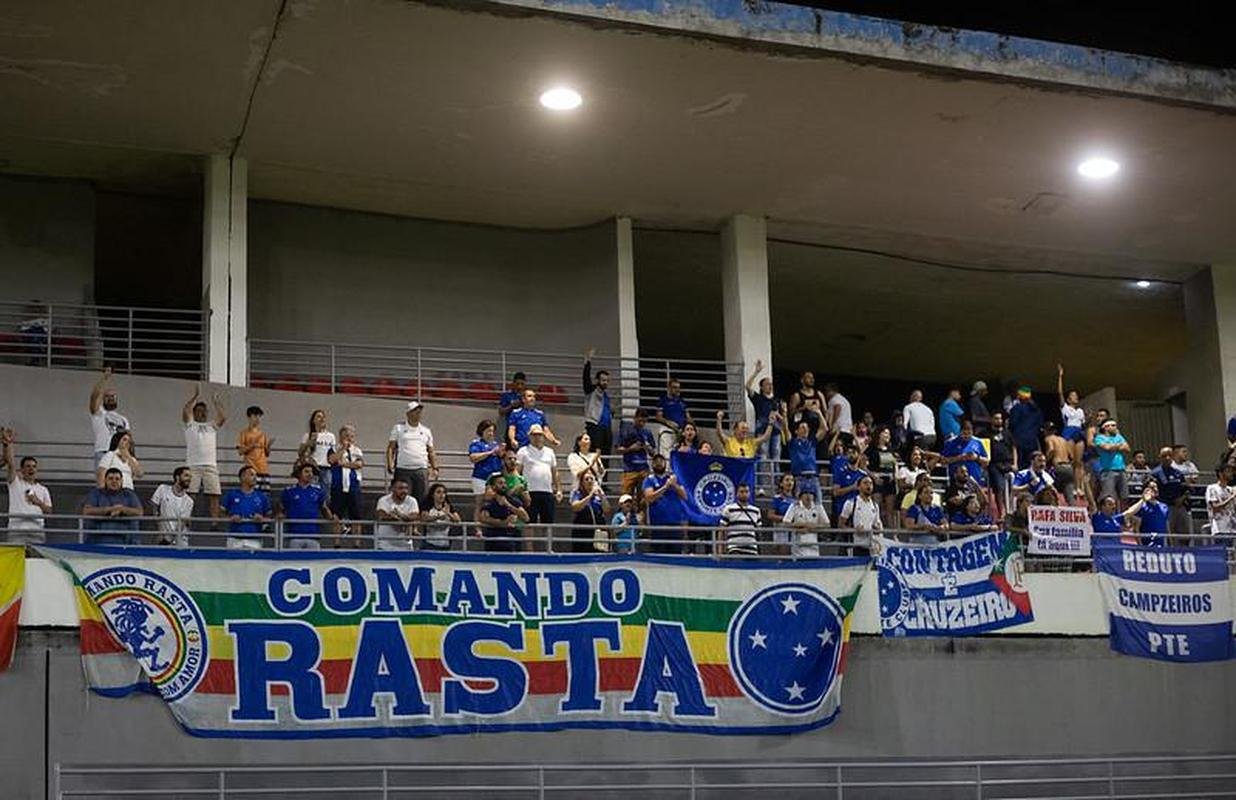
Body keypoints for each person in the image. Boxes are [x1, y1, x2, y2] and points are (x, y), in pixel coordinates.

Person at [181, 383, 227, 518]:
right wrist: (195, 397)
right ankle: (186, 521)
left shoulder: (211, 426)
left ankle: (214, 523)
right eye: (199, 410)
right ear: (194, 412)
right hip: (192, 465)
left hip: (210, 465)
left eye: (204, 411)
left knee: (214, 495)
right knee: (190, 495)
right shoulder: (190, 425)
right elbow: (185, 411)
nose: (202, 413)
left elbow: (223, 417)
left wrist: (216, 401)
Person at [1, 427, 52, 543]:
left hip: (37, 531)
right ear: (22, 470)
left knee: (37, 561)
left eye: (34, 466)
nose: (31, 469)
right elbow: (11, 464)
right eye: (28, 466)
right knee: (15, 560)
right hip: (17, 531)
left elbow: (49, 511)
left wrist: (37, 502)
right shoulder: (15, 484)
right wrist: (8, 444)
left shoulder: (43, 489)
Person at [516, 424, 561, 547]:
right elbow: (517, 471)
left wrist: (559, 489)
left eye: (540, 435)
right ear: (530, 436)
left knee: (548, 522)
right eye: (534, 435)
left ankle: (548, 548)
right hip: (530, 491)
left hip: (547, 491)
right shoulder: (523, 451)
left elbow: (555, 472)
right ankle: (529, 549)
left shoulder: (550, 452)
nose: (537, 437)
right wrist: (520, 489)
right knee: (529, 522)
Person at [387, 401, 438, 503]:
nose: (418, 414)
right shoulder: (398, 428)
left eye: (419, 411)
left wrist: (435, 467)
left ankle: (419, 518)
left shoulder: (426, 430)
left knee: (422, 498)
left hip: (421, 469)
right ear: (408, 413)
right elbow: (391, 448)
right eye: (415, 411)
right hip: (403, 469)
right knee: (402, 497)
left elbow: (431, 451)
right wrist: (390, 463)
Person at [279, 462, 335, 549]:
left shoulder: (318, 491)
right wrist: (279, 515)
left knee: (314, 562)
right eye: (306, 471)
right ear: (299, 474)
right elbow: (281, 509)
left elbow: (324, 508)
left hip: (313, 535)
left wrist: (331, 517)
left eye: (311, 472)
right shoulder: (289, 491)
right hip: (294, 535)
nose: (310, 474)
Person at [745, 359, 782, 491]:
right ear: (761, 387)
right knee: (763, 456)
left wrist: (779, 416)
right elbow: (747, 386)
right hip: (762, 430)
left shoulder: (776, 401)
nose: (770, 386)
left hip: (776, 431)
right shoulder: (758, 399)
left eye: (771, 384)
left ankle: (777, 486)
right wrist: (756, 371)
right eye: (767, 384)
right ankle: (763, 486)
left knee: (776, 457)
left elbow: (782, 419)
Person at [642, 452, 688, 554]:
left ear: (665, 463)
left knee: (676, 555)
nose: (658, 463)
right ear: (652, 464)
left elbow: (684, 496)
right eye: (656, 461)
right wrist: (665, 487)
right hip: (658, 524)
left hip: (675, 523)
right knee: (659, 555)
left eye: (661, 461)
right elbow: (649, 498)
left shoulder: (673, 478)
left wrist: (674, 485)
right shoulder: (649, 480)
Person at [83, 468, 143, 544]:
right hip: (99, 537)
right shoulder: (96, 493)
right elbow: (87, 511)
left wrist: (122, 509)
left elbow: (139, 512)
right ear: (105, 480)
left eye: (117, 479)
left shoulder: (129, 494)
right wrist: (110, 509)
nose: (114, 481)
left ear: (122, 481)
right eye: (110, 478)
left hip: (125, 538)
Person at [221, 466, 273, 549]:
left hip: (255, 540)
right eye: (252, 475)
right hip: (235, 539)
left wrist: (262, 519)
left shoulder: (262, 497)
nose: (255, 478)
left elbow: (270, 516)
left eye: (256, 475)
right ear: (242, 477)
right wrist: (230, 518)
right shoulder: (231, 494)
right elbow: (220, 512)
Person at [327, 424, 364, 542]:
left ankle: (357, 543)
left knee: (356, 516)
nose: (349, 439)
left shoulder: (357, 450)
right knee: (337, 515)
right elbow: (332, 460)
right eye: (346, 436)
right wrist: (342, 449)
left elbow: (359, 464)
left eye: (351, 436)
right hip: (338, 486)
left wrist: (343, 464)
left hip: (353, 486)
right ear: (340, 436)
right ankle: (336, 542)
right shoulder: (334, 449)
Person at [88, 367, 131, 467]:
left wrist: (130, 456)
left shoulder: (123, 419)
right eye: (107, 396)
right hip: (102, 452)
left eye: (113, 396)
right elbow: (94, 396)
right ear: (103, 398)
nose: (111, 398)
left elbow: (129, 439)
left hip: (119, 454)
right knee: (102, 482)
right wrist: (105, 378)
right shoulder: (98, 413)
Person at [779, 416, 827, 503]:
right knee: (798, 506)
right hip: (798, 479)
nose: (805, 429)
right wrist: (785, 413)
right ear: (796, 431)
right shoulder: (793, 443)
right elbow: (785, 428)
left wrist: (818, 412)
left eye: (807, 427)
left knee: (818, 505)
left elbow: (825, 429)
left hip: (814, 478)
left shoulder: (812, 442)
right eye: (802, 427)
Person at [477, 475, 529, 552]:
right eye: (500, 483)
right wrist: (503, 523)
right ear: (493, 487)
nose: (504, 485)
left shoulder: (513, 500)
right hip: (494, 539)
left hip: (511, 539)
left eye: (505, 483)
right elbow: (484, 518)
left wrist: (508, 505)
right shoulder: (489, 503)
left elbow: (526, 518)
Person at [1150, 447, 1190, 539]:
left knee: (1185, 535)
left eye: (1169, 456)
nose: (1167, 458)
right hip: (1165, 507)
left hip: (1179, 506)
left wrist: (1182, 498)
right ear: (1160, 457)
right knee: (1168, 535)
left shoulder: (1178, 473)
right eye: (1164, 456)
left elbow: (1186, 489)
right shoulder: (1155, 473)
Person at [149, 466, 194, 546]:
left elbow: (182, 523)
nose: (189, 479)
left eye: (190, 476)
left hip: (180, 540)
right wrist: (160, 530)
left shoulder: (189, 501)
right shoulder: (162, 489)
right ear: (177, 477)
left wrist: (169, 539)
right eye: (186, 475)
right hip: (162, 536)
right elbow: (154, 507)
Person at [582, 348, 614, 456]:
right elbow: (586, 379)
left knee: (606, 455)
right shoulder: (591, 390)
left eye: (607, 380)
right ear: (597, 380)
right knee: (595, 455)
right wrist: (588, 362)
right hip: (595, 427)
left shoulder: (606, 396)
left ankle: (604, 473)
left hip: (607, 428)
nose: (606, 383)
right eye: (603, 380)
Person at [617, 409, 656, 499]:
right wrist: (630, 449)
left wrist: (648, 448)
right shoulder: (625, 431)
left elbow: (653, 453)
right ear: (635, 418)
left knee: (643, 499)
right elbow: (618, 449)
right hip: (629, 469)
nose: (642, 424)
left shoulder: (647, 433)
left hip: (643, 470)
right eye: (640, 421)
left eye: (644, 422)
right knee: (626, 498)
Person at [839, 474, 882, 553]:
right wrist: (854, 530)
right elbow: (841, 525)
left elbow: (877, 524)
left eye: (871, 483)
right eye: (865, 483)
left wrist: (877, 529)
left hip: (871, 546)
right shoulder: (851, 503)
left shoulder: (875, 506)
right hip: (855, 545)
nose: (869, 485)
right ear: (858, 487)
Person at [829, 437, 867, 523]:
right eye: (848, 453)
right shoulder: (841, 473)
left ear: (858, 455)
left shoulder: (863, 475)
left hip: (859, 514)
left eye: (853, 453)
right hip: (842, 512)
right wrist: (852, 487)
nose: (851, 455)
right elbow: (835, 492)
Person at [1056, 364, 1086, 476]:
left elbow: (1084, 424)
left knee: (1079, 462)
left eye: (1077, 395)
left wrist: (1089, 419)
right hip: (1069, 431)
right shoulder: (1065, 408)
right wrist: (1060, 376)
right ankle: (1072, 483)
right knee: (1072, 459)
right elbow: (1060, 393)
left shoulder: (1080, 411)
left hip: (1079, 431)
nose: (1076, 397)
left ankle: (1080, 486)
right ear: (1068, 399)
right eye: (1073, 395)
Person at [569, 471, 609, 553]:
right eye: (587, 479)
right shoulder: (578, 493)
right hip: (582, 529)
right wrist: (590, 495)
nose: (590, 481)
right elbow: (575, 507)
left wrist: (602, 496)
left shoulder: (598, 495)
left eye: (592, 479)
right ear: (582, 482)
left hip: (598, 529)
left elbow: (607, 509)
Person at [298, 409, 336, 496]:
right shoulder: (307, 435)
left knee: (325, 494)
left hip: (326, 468)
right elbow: (300, 453)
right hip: (313, 468)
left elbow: (332, 453)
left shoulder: (331, 436)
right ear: (313, 420)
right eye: (319, 417)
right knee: (312, 493)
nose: (322, 419)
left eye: (323, 417)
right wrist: (309, 443)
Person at [941, 419, 990, 486]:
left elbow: (986, 462)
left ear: (972, 432)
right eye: (964, 434)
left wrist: (976, 458)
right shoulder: (951, 443)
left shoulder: (978, 442)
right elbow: (943, 461)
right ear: (960, 431)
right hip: (957, 481)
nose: (966, 436)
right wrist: (959, 457)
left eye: (969, 433)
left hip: (975, 481)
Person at [783, 486, 829, 558]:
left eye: (811, 494)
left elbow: (827, 524)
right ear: (801, 496)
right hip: (798, 548)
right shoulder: (794, 506)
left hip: (814, 548)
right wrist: (801, 526)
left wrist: (814, 527)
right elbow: (785, 523)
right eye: (805, 493)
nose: (808, 496)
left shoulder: (818, 507)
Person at [1093, 419, 1131, 505]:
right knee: (1109, 497)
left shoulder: (1118, 436)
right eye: (1112, 425)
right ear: (1106, 427)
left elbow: (1127, 448)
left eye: (1115, 425)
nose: (1115, 427)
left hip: (1121, 469)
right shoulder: (1099, 438)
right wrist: (1119, 446)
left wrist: (1113, 447)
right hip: (1108, 470)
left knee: (1124, 497)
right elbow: (1107, 448)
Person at [236, 405, 274, 490]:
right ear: (249, 417)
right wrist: (252, 444)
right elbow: (240, 451)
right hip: (251, 469)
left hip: (264, 469)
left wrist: (268, 446)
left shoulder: (262, 434)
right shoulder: (244, 433)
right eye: (255, 416)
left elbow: (267, 454)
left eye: (259, 416)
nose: (257, 419)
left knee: (264, 494)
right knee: (252, 492)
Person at [375, 477, 419, 551]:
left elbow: (414, 516)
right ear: (392, 489)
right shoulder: (383, 500)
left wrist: (399, 515)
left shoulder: (412, 501)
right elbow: (381, 515)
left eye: (406, 488)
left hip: (405, 547)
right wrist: (398, 518)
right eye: (400, 488)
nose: (404, 491)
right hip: (385, 545)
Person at [718, 483, 761, 557]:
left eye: (746, 492)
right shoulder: (729, 509)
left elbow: (759, 531)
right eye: (741, 492)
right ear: (737, 494)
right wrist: (720, 551)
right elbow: (721, 530)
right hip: (734, 548)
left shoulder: (756, 511)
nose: (744, 494)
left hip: (752, 549)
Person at [653, 378, 693, 455]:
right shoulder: (663, 400)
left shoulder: (682, 401)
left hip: (681, 433)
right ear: (669, 388)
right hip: (668, 432)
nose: (677, 390)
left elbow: (688, 416)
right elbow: (658, 417)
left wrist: (690, 427)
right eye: (675, 387)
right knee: (667, 453)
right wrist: (669, 423)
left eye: (678, 387)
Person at [987, 411, 1017, 515]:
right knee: (999, 487)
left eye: (1000, 418)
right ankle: (1002, 512)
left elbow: (1013, 448)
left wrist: (1015, 463)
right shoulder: (986, 433)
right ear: (991, 420)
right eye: (996, 418)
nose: (999, 421)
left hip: (1008, 463)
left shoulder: (1007, 433)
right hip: (995, 464)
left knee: (1011, 488)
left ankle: (1011, 511)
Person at [1126, 481, 1170, 548]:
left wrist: (1171, 543)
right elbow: (1136, 529)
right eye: (1152, 487)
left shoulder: (1164, 506)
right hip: (1146, 545)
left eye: (1156, 487)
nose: (1155, 489)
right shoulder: (1141, 507)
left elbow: (1167, 527)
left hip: (1162, 545)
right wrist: (1140, 545)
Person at [1008, 387, 1045, 466]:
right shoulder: (1037, 410)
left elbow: (1012, 423)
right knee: (1031, 465)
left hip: (1019, 441)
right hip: (1033, 441)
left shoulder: (1017, 408)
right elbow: (1040, 425)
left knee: (1020, 465)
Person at [468, 420, 504, 497]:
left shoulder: (496, 444)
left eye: (492, 431)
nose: (491, 433)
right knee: (480, 502)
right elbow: (473, 458)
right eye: (488, 431)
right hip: (481, 478)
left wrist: (501, 453)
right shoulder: (476, 444)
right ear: (482, 431)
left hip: (495, 479)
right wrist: (490, 453)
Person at [420, 483, 460, 551]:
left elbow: (458, 520)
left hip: (445, 544)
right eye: (438, 492)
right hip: (430, 544)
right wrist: (437, 517)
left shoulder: (449, 507)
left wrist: (448, 513)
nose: (442, 495)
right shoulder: (427, 507)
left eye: (444, 493)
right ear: (432, 494)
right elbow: (424, 518)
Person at [1041, 422, 1075, 498]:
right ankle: (1072, 506)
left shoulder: (1048, 438)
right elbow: (1071, 456)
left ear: (1046, 431)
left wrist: (1044, 461)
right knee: (1069, 493)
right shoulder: (1063, 440)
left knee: (1052, 490)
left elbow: (1051, 449)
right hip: (1068, 466)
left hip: (1058, 466)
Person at [1205, 461, 1236, 541]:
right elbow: (1215, 507)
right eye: (1228, 471)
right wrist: (1232, 497)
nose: (1231, 474)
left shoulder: (1230, 489)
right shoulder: (1212, 488)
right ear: (1220, 474)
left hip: (1232, 528)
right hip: (1220, 529)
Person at [498, 372, 527, 437]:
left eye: (522, 384)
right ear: (513, 383)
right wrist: (511, 406)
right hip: (511, 428)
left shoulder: (528, 396)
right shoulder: (507, 395)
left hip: (525, 427)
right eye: (517, 384)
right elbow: (501, 411)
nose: (519, 386)